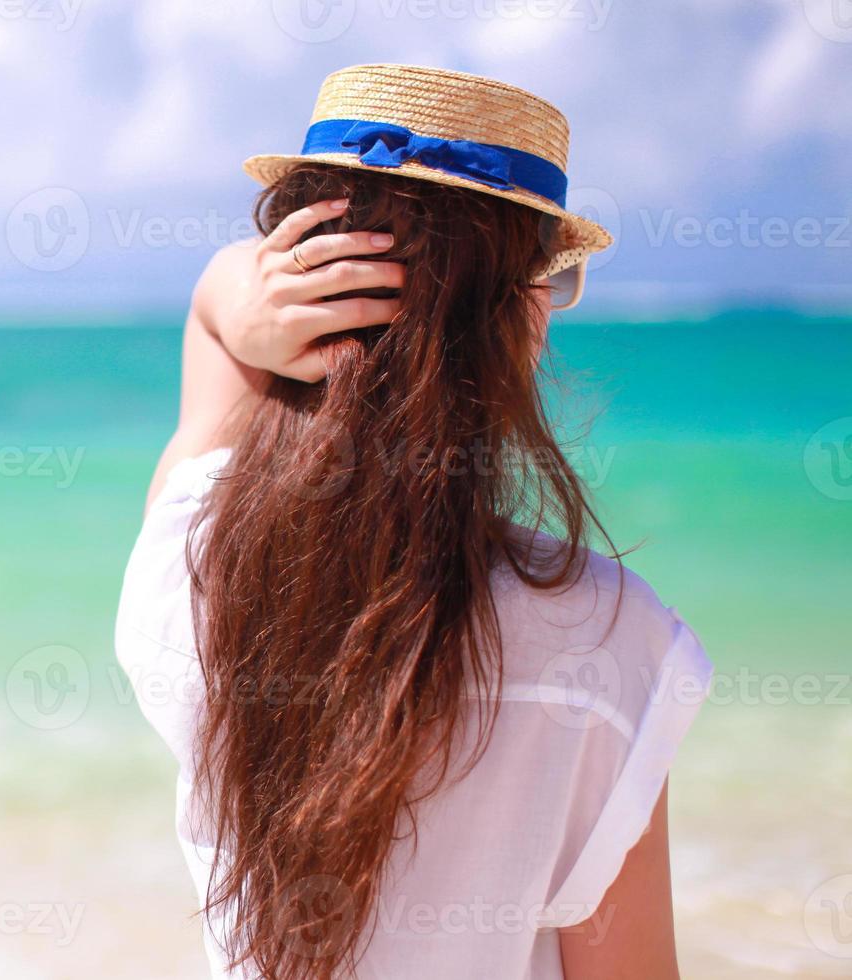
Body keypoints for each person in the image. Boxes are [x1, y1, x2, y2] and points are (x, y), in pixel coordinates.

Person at [115, 64, 713, 979]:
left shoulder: (190, 572)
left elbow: (210, 362)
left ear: (293, 285)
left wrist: (235, 292)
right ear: (517, 318)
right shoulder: (612, 636)